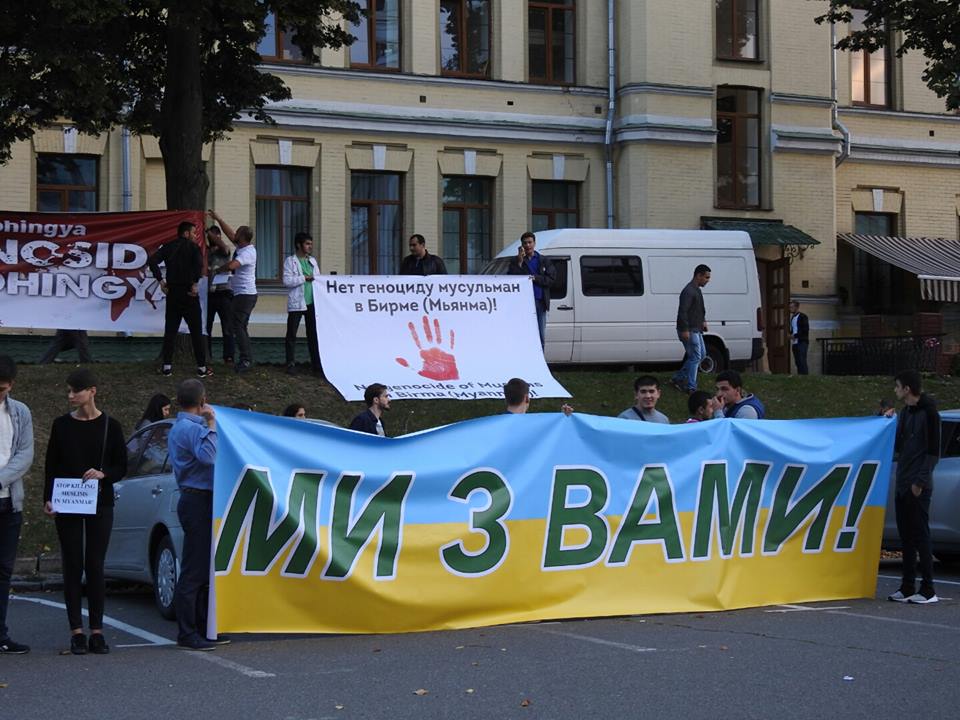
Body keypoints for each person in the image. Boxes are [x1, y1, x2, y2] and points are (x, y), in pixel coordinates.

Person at [43, 368, 127, 655]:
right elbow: (51, 464)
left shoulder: (111, 426)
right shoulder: (61, 425)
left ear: (92, 391)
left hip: (99, 502)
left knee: (95, 564)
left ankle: (97, 631)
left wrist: (104, 474)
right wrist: (48, 498)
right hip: (67, 501)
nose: (70, 396)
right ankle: (76, 631)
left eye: (75, 390)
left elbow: (121, 465)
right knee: (72, 563)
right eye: (68, 390)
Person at [168, 379, 227, 650]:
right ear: (202, 401)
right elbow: (208, 456)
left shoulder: (181, 427)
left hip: (197, 499)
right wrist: (212, 424)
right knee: (194, 569)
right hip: (197, 499)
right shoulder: (191, 428)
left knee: (202, 568)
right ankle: (188, 632)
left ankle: (203, 628)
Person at [886, 370, 941, 604]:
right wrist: (886, 420)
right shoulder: (905, 413)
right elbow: (898, 444)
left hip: (918, 486)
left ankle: (928, 590)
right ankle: (907, 586)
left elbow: (933, 452)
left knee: (921, 536)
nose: (896, 391)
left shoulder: (930, 413)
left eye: (897, 387)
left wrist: (919, 482)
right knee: (906, 537)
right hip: (902, 482)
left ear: (907, 389)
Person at [0, 356, 33, 655]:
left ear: (11, 385)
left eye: (3, 388)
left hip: (9, 502)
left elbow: (25, 454)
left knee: (3, 571)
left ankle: (1, 633)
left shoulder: (20, 412)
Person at [148, 220, 211, 378]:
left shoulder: (168, 247)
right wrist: (195, 283)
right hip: (189, 293)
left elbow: (152, 261)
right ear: (186, 233)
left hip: (173, 292)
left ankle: (167, 366)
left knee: (170, 330)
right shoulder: (194, 248)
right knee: (196, 331)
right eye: (193, 233)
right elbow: (199, 265)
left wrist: (161, 281)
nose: (196, 236)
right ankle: (202, 367)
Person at [218, 225, 257, 373]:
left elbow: (233, 265)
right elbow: (230, 234)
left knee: (237, 326)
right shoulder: (242, 247)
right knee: (240, 326)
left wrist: (217, 270)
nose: (234, 234)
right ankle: (246, 358)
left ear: (242, 237)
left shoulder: (248, 252)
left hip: (245, 295)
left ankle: (245, 360)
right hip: (242, 294)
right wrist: (218, 219)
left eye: (237, 233)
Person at [283, 232, 322, 376]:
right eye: (307, 244)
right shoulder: (290, 261)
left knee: (313, 335)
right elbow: (287, 281)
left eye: (311, 244)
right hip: (297, 302)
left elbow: (318, 279)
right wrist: (304, 278)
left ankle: (316, 365)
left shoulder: (312, 261)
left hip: (312, 302)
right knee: (292, 334)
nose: (310, 246)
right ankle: (290, 363)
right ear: (299, 245)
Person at [508, 232, 555, 349]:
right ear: (522, 245)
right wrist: (519, 262)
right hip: (522, 304)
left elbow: (551, 279)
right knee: (523, 333)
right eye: (525, 243)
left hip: (539, 302)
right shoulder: (516, 261)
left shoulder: (543, 260)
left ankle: (540, 358)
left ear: (534, 243)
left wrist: (535, 278)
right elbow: (511, 279)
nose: (528, 245)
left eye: (530, 242)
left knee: (540, 334)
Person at [670, 264, 711, 394]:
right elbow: (683, 311)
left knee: (701, 354)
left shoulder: (697, 290)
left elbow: (699, 309)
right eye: (706, 277)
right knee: (695, 356)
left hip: (696, 329)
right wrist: (685, 329)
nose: (708, 280)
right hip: (690, 329)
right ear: (698, 275)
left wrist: (703, 321)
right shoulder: (688, 291)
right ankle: (691, 386)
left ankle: (678, 377)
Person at [205, 211, 237, 366]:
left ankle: (228, 357)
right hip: (209, 294)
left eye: (216, 236)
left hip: (224, 292)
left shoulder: (225, 250)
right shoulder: (205, 251)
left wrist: (208, 230)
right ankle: (207, 355)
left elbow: (223, 245)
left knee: (227, 327)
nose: (214, 239)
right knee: (206, 327)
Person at [789, 300, 810, 375]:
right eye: (790, 307)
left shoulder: (803, 316)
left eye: (792, 307)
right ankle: (800, 376)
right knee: (797, 361)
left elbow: (805, 330)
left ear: (797, 307)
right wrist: (790, 334)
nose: (790, 309)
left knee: (802, 360)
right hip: (795, 343)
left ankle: (804, 376)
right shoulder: (792, 318)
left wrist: (795, 336)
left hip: (802, 342)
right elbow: (794, 329)